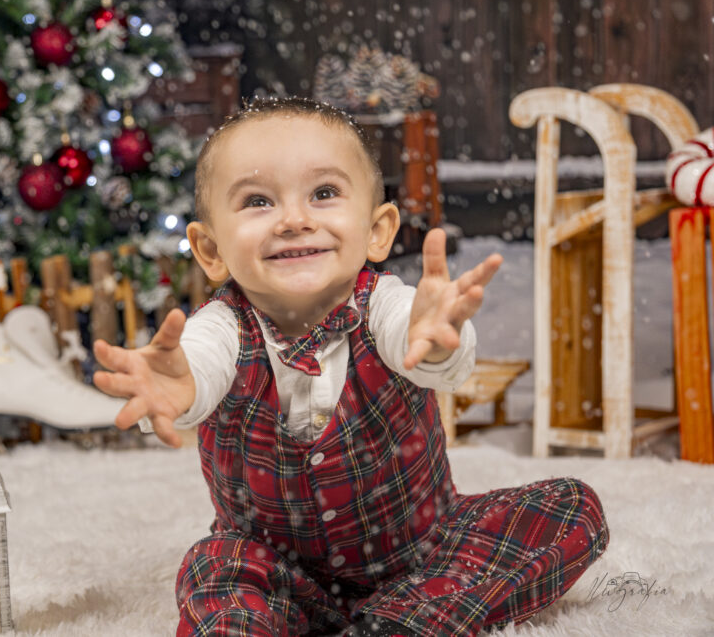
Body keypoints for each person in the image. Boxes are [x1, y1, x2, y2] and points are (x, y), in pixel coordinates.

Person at [92, 97, 610, 636]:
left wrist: (434, 343)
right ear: (210, 249)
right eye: (258, 201)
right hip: (281, 578)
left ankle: (394, 623)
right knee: (214, 566)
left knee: (571, 509)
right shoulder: (221, 327)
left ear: (377, 230)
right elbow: (200, 364)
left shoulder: (388, 305)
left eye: (323, 193)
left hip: (422, 558)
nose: (294, 220)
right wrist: (180, 385)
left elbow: (425, 350)